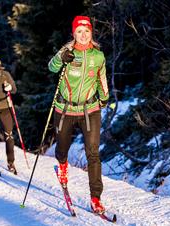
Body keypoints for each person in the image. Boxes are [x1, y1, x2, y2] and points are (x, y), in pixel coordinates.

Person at [48, 16, 109, 214]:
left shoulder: (98, 56)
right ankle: (62, 165)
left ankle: (96, 198)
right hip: (65, 108)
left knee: (93, 153)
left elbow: (101, 78)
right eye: (79, 32)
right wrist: (60, 59)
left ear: (91, 33)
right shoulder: (67, 52)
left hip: (89, 109)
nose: (83, 35)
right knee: (62, 149)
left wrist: (104, 97)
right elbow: (52, 67)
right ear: (74, 34)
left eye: (87, 31)